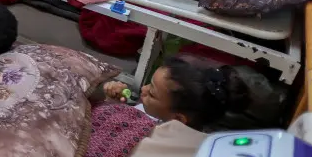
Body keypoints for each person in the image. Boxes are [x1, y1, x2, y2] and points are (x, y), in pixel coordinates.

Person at [100, 59, 250, 129]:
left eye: (151, 94)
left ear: (177, 118)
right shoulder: (157, 114)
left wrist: (109, 111)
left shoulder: (153, 137)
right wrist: (113, 105)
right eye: (149, 84)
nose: (143, 89)